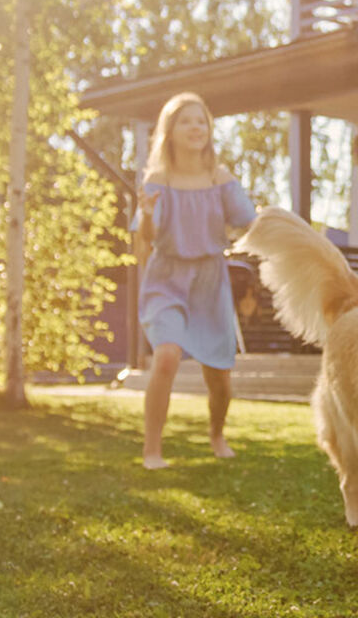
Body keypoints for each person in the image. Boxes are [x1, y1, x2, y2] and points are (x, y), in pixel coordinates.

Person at [134, 92, 257, 469]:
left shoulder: (219, 178)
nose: (195, 128)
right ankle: (152, 450)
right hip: (167, 279)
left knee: (219, 379)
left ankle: (216, 434)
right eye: (186, 121)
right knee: (166, 357)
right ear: (169, 131)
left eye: (201, 121)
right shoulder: (159, 178)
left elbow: (248, 221)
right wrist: (149, 215)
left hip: (209, 282)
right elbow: (147, 238)